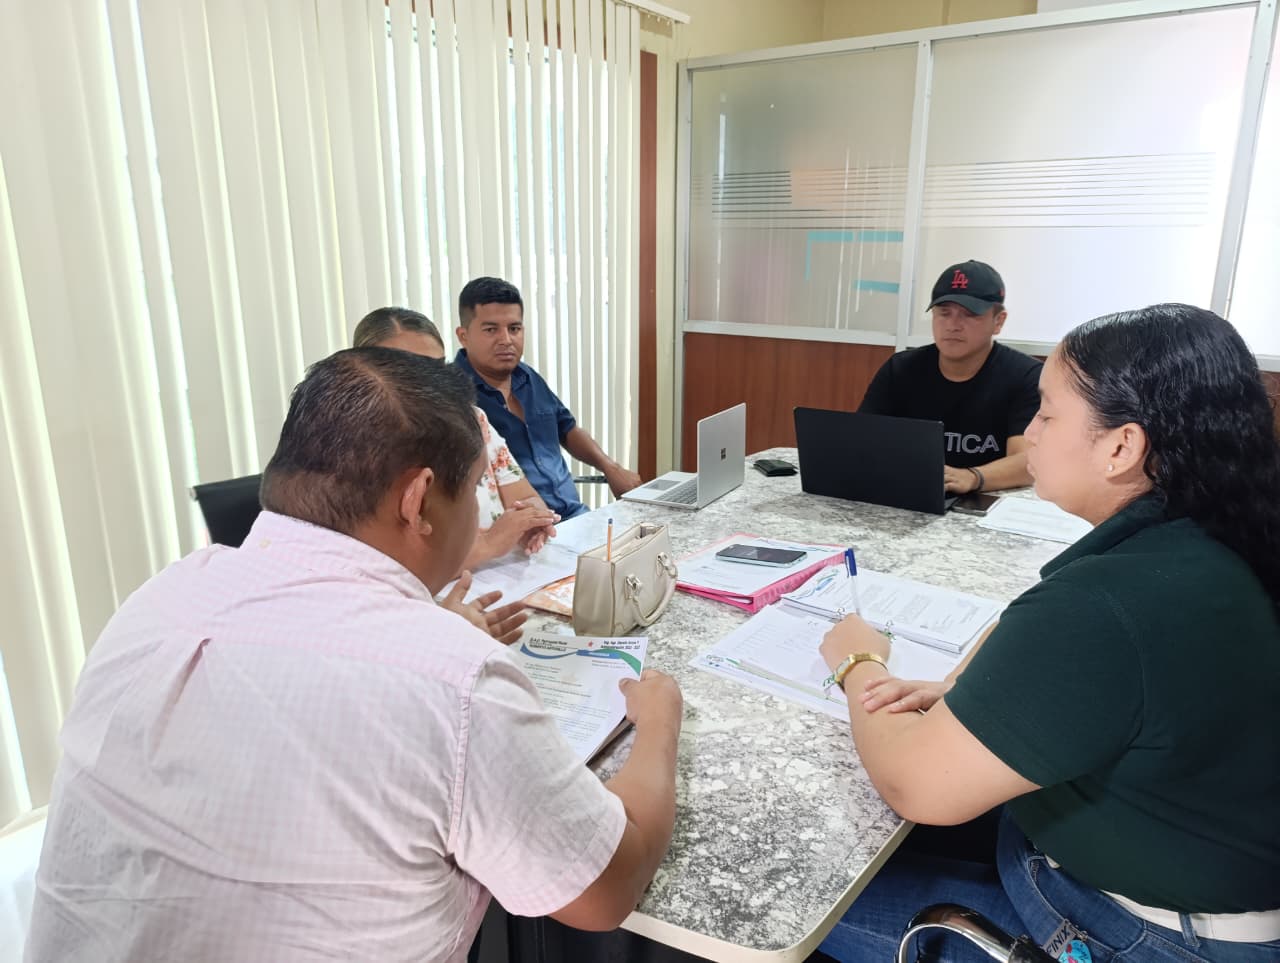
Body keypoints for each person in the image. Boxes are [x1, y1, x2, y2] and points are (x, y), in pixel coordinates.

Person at [25, 348, 684, 962]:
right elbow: (606, 890)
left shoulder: (159, 600)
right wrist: (658, 721)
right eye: (474, 493)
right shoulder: (453, 679)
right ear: (419, 499)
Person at [817, 304, 1280, 962]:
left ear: (1121, 446)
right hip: (1192, 880)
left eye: (1048, 413)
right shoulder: (1211, 537)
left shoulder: (1110, 603)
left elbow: (912, 784)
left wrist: (858, 659)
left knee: (785, 902)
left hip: (1133, 930)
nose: (1030, 433)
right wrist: (979, 688)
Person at [354, 306, 559, 568]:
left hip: (506, 576)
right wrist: (488, 545)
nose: (430, 384)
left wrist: (530, 520)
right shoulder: (360, 446)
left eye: (436, 369)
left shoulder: (473, 419)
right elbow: (388, 565)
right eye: (409, 372)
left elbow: (526, 496)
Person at [452, 277, 642, 519]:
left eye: (514, 329)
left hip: (575, 516)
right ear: (463, 336)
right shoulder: (452, 396)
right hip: (521, 530)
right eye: (491, 330)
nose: (506, 340)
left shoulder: (527, 377)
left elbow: (567, 429)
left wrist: (610, 467)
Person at [859, 260, 1042, 494]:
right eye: (944, 313)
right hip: (910, 492)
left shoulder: (1025, 376)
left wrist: (973, 477)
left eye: (969, 314)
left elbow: (1028, 461)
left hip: (986, 496)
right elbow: (862, 440)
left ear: (998, 321)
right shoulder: (901, 368)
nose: (953, 325)